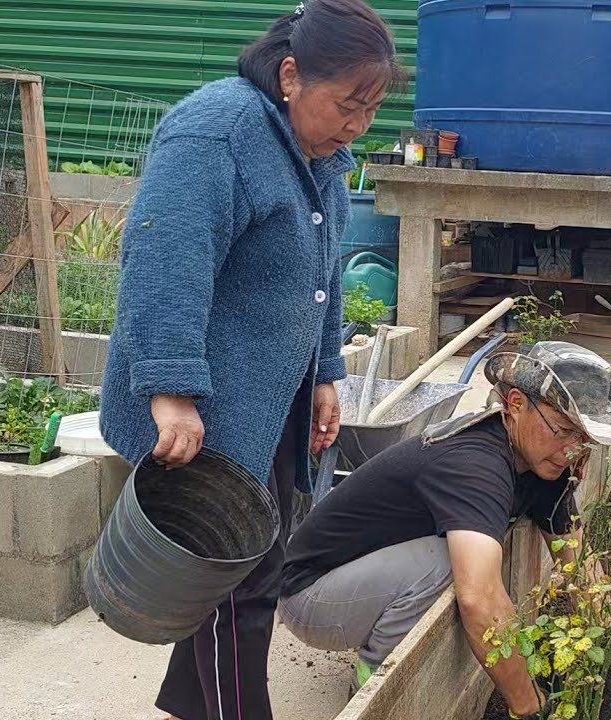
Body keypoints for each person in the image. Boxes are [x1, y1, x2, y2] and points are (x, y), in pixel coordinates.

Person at [97, 2, 402, 718]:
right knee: (242, 585)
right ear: (291, 74)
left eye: (371, 109)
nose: (358, 125)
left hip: (272, 397)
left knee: (227, 565)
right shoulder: (218, 132)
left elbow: (319, 269)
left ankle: (186, 703)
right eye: (347, 105)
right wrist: (170, 391)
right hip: (211, 408)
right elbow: (164, 262)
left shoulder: (315, 149)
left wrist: (327, 370)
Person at [278, 341, 611, 716]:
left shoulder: (543, 461)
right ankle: (376, 676)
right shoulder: (474, 465)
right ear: (515, 404)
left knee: (466, 559)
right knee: (459, 565)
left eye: (583, 438)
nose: (572, 450)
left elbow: (575, 557)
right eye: (563, 430)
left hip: (367, 578)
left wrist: (602, 640)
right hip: (310, 596)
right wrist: (529, 707)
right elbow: (479, 598)